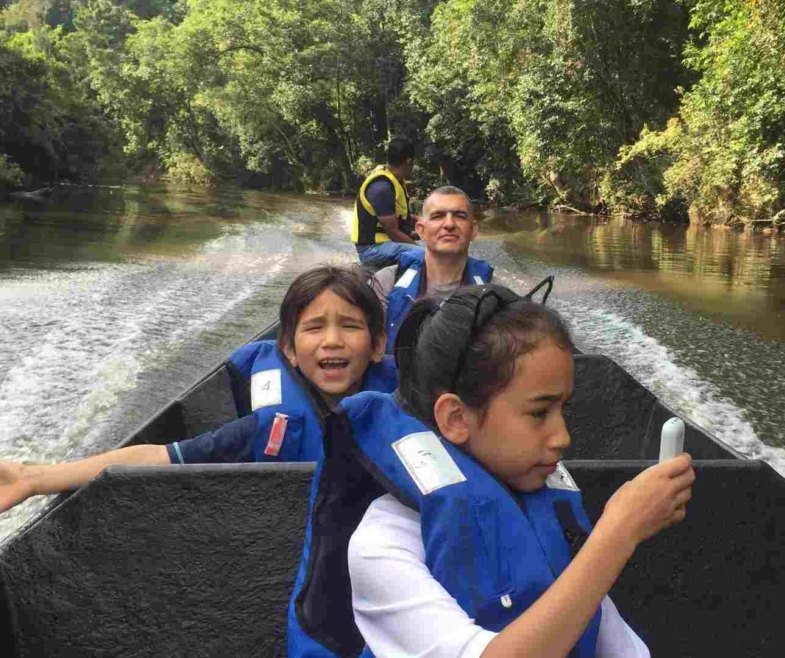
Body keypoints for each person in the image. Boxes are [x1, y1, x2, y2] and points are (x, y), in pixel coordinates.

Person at [287, 283, 695, 657]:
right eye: (539, 412)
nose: (563, 437)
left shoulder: (550, 517)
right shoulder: (382, 543)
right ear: (456, 418)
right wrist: (619, 531)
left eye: (563, 409)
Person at [0, 265, 397, 522]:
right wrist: (34, 477)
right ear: (289, 351)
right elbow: (158, 457)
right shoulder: (266, 430)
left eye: (351, 327)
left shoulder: (412, 410)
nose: (333, 341)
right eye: (314, 328)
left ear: (378, 345)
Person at [370, 185, 493, 354]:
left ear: (473, 230)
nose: (449, 224)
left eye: (460, 216)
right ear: (421, 230)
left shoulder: (493, 292)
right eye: (438, 216)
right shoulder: (386, 283)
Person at [354, 137, 422, 269]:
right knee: (423, 255)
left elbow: (397, 216)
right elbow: (394, 233)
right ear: (408, 161)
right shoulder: (382, 188)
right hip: (371, 250)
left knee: (425, 250)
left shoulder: (393, 179)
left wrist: (421, 221)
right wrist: (422, 250)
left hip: (386, 244)